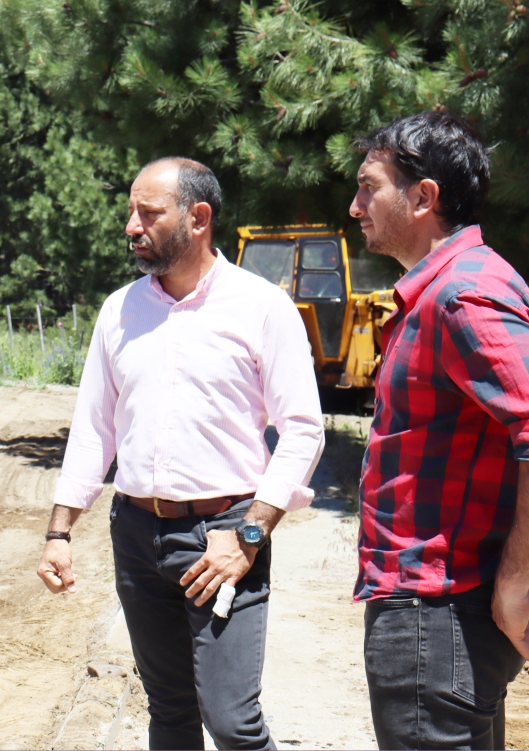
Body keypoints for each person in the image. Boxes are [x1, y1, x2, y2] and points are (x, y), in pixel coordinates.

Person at [37, 157, 324, 750]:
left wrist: (248, 536)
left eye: (149, 213)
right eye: (130, 212)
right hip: (136, 535)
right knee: (168, 713)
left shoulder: (261, 307)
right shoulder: (120, 310)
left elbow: (303, 430)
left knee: (232, 721)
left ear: (198, 217)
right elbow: (93, 430)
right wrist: (59, 532)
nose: (131, 227)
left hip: (224, 538)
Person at [348, 111, 529, 750]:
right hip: (443, 616)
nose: (355, 206)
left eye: (369, 187)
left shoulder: (460, 296)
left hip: (439, 613)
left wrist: (517, 581)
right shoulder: (460, 285)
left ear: (424, 197)